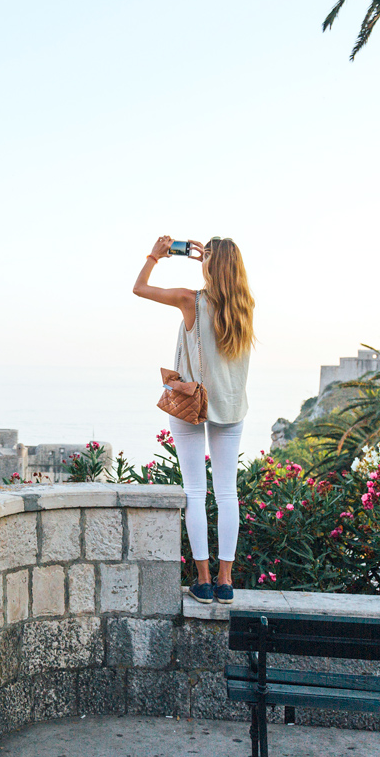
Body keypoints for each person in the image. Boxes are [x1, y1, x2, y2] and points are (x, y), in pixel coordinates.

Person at [133, 235, 254, 605]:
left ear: (208, 263)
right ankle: (225, 581)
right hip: (230, 407)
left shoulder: (191, 301)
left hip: (191, 404)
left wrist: (156, 255)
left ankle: (203, 580)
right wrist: (211, 259)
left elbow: (140, 288)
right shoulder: (245, 307)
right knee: (227, 493)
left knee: (195, 493)